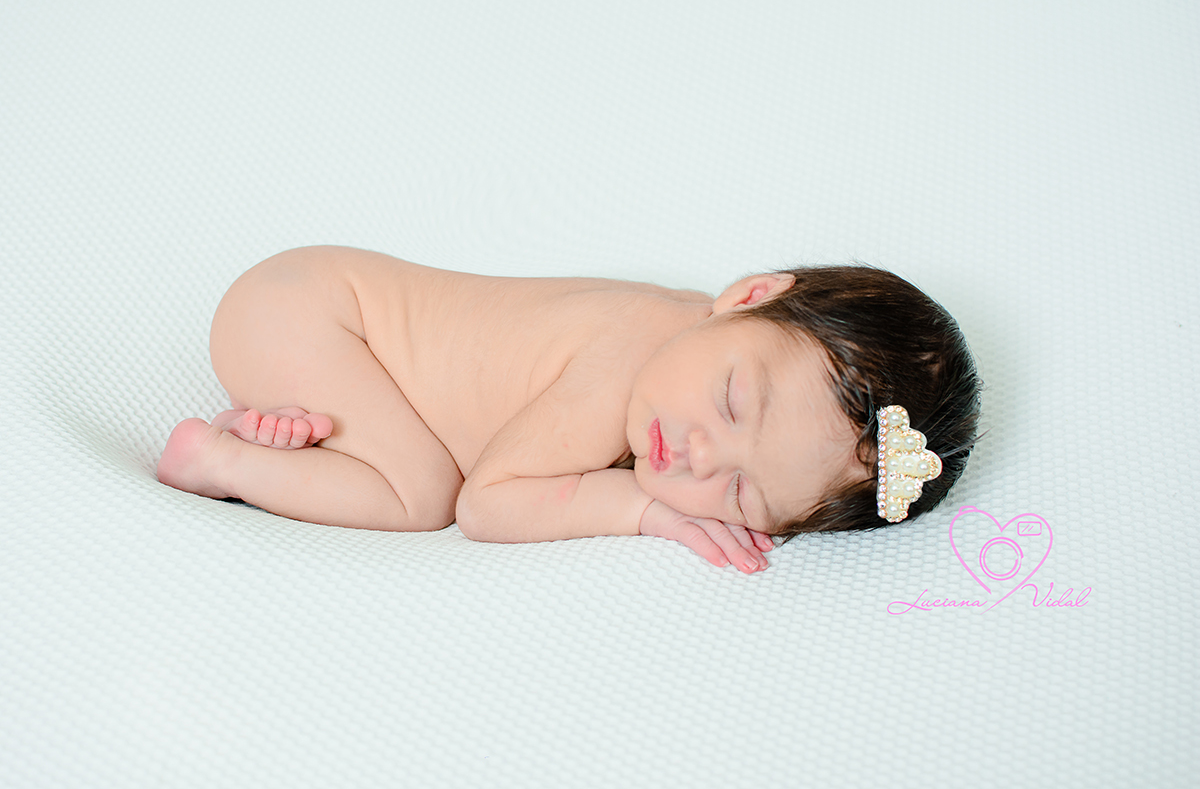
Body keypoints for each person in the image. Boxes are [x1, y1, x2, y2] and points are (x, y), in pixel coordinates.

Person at [158, 245, 982, 573]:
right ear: (747, 297)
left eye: (738, 494)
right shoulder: (633, 350)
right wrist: (637, 508)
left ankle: (272, 435)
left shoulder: (687, 344)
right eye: (732, 399)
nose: (696, 454)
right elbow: (487, 503)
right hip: (309, 314)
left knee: (395, 451)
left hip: (314, 327)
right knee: (419, 496)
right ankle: (219, 460)